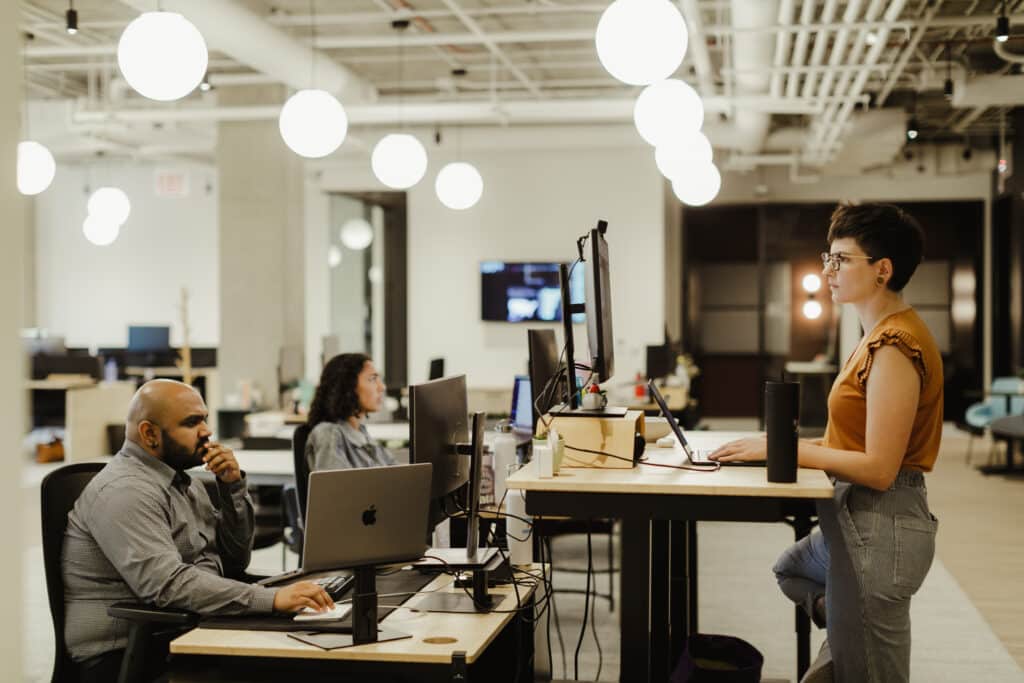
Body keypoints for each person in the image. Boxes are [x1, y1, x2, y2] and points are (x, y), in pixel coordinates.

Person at [710, 203, 942, 683]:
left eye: (841, 260)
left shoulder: (895, 345)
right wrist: (774, 442)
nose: (827, 271)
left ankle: (847, 627)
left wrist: (785, 451)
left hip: (883, 525)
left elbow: (879, 467)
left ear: (883, 270)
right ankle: (843, 623)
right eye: (828, 258)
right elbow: (854, 439)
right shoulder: (873, 336)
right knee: (791, 569)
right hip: (855, 519)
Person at [64, 380, 334, 682]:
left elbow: (234, 561)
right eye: (192, 422)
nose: (207, 431)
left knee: (324, 654)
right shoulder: (124, 491)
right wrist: (270, 600)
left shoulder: (185, 483)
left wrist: (231, 487)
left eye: (204, 418)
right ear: (149, 434)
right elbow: (167, 585)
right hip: (130, 654)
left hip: (188, 628)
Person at [305, 353, 396, 472]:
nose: (382, 387)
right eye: (372, 379)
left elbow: (397, 473)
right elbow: (337, 488)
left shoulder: (362, 433)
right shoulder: (329, 433)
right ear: (348, 386)